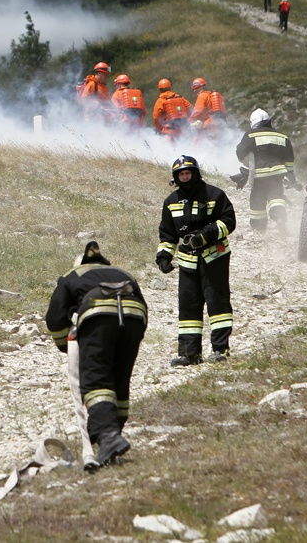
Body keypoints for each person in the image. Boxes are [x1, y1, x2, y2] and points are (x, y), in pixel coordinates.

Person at [45, 241, 148, 468]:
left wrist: (66, 345)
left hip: (98, 316)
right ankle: (113, 436)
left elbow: (55, 316)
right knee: (120, 381)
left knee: (96, 379)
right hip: (133, 318)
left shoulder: (72, 274)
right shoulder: (122, 273)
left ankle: (108, 436)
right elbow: (143, 305)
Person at [156, 155, 235, 366]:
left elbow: (229, 222)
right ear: (176, 177)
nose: (185, 176)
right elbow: (168, 234)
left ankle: (220, 350)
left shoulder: (215, 194)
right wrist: (164, 255)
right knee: (188, 307)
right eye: (181, 174)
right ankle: (190, 354)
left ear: (195, 173)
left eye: (188, 173)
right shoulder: (171, 202)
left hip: (214, 258)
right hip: (187, 262)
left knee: (217, 303)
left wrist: (206, 234)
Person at [235, 109, 299, 232]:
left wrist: (245, 166)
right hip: (277, 174)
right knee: (276, 196)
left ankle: (259, 227)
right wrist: (291, 178)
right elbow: (289, 159)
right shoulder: (282, 136)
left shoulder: (251, 135)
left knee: (257, 199)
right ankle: (280, 218)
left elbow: (240, 152)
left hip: (260, 174)